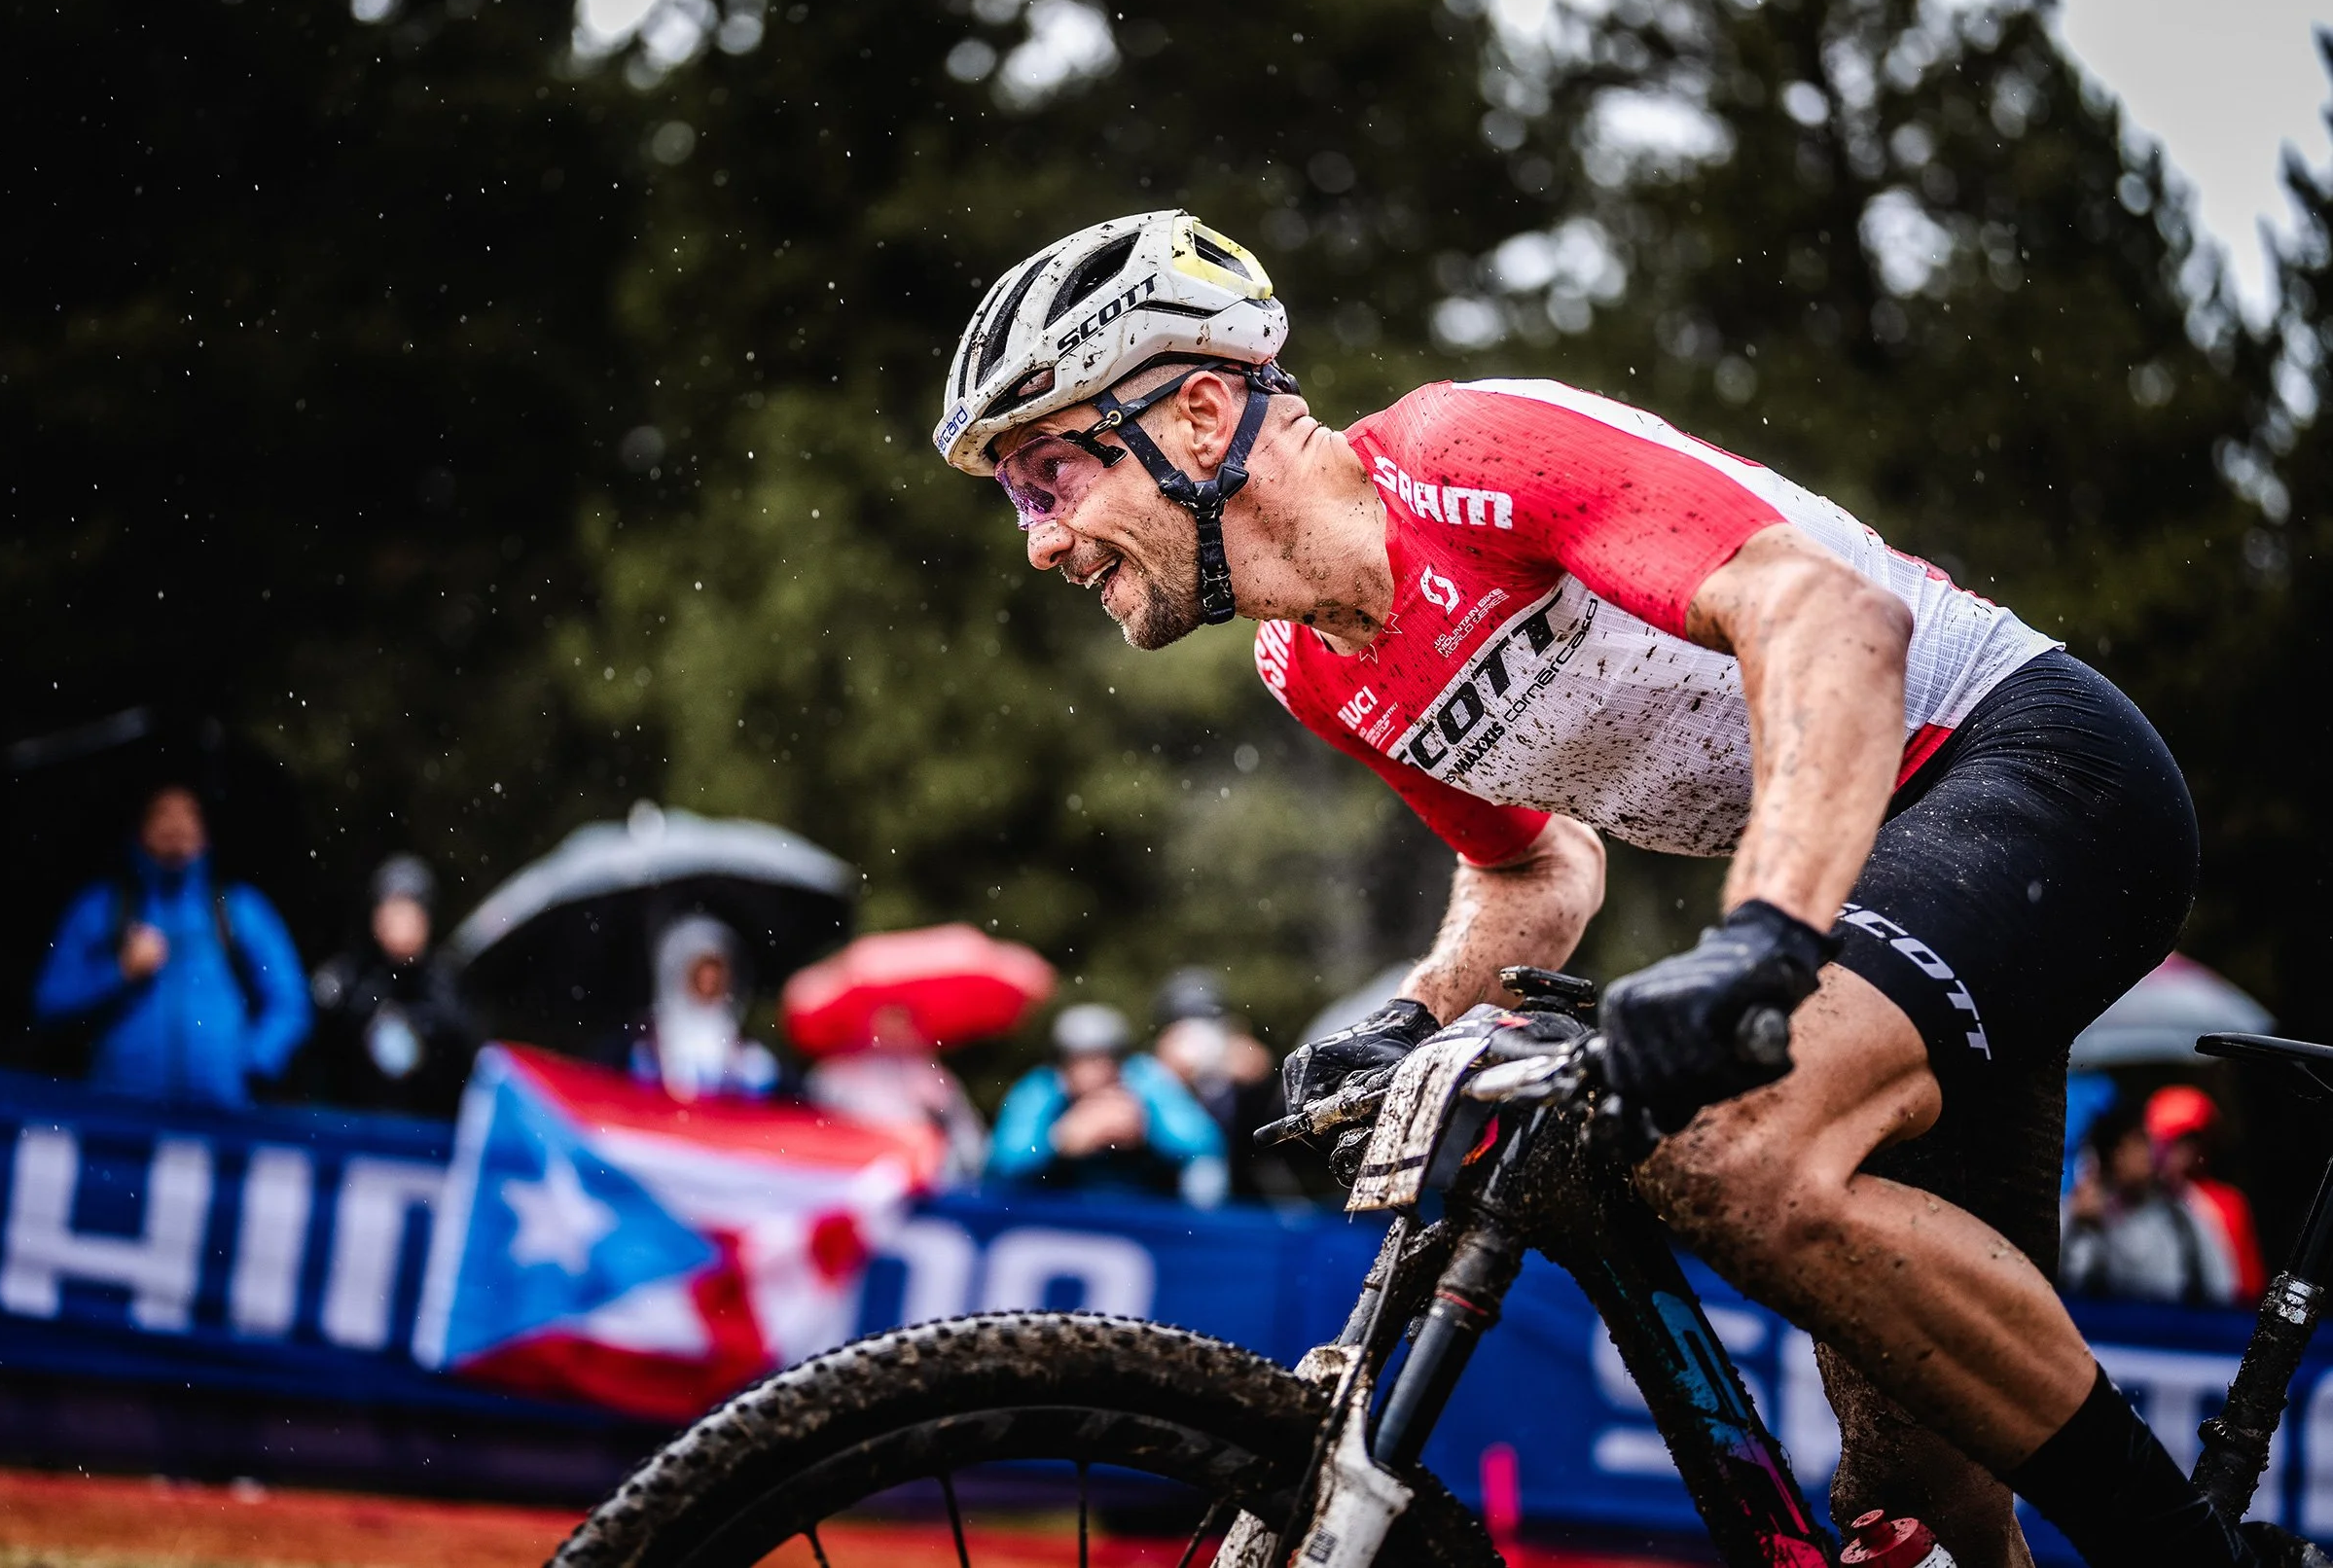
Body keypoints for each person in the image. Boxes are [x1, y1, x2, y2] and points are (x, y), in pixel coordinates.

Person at [933, 211, 2293, 1565]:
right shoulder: (1312, 665)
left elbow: (1828, 616)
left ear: (1200, 410)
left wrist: (1762, 935)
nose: (1042, 540)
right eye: (1018, 496)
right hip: (1885, 879)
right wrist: (1412, 1010)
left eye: (1051, 475)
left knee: (1725, 1148)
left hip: (2035, 773)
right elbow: (1530, 862)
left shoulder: (1459, 452)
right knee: (1908, 1505)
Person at [32, 783, 310, 1108]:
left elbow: (290, 1002)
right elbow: (50, 1000)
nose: (176, 826)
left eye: (188, 814)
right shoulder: (101, 907)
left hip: (220, 1116)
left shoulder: (240, 909)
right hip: (120, 1117)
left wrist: (250, 1062)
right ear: (140, 830)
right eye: (162, 814)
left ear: (205, 832)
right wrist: (119, 972)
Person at [987, 1003, 1227, 1205]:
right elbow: (1003, 1163)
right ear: (1062, 1064)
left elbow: (1203, 1145)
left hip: (1144, 1213)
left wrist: (1147, 1129)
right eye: (1081, 1061)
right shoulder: (1041, 1089)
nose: (1094, 1073)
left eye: (1103, 1059)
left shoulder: (1145, 1081)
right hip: (1055, 1214)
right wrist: (1060, 1141)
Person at [306, 854, 474, 1117]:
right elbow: (321, 1049)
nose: (400, 923)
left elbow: (462, 1053)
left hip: (426, 1134)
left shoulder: (446, 982)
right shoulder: (347, 977)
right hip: (356, 1129)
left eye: (409, 911)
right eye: (392, 910)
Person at [2062, 1103, 2238, 1305]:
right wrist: (2077, 1222)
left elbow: (2222, 1288)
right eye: (2133, 1143)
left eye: (2144, 1142)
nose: (2144, 1153)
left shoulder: (2182, 1219)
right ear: (2109, 1155)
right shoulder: (2078, 1216)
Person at [804, 1004, 989, 1183]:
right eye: (888, 1019)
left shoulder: (934, 1078)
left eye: (903, 1021)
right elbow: (818, 1128)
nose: (895, 1030)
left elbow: (968, 1139)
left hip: (928, 1180)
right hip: (853, 1173)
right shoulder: (838, 1074)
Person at [1148, 967, 1285, 1197]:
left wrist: (1265, 1077)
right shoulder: (1148, 1077)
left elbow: (1276, 1135)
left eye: (1207, 1028)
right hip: (1164, 1205)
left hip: (1240, 1204)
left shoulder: (1240, 1078)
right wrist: (1169, 1080)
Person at [633, 914, 778, 1100]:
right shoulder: (650, 1038)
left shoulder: (735, 1035)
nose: (709, 983)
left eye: (715, 978)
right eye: (702, 976)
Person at [2148, 1084, 2266, 1303]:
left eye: (2189, 1141)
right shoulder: (2134, 1199)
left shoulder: (2228, 1202)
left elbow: (2247, 1287)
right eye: (2169, 1141)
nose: (2179, 1151)